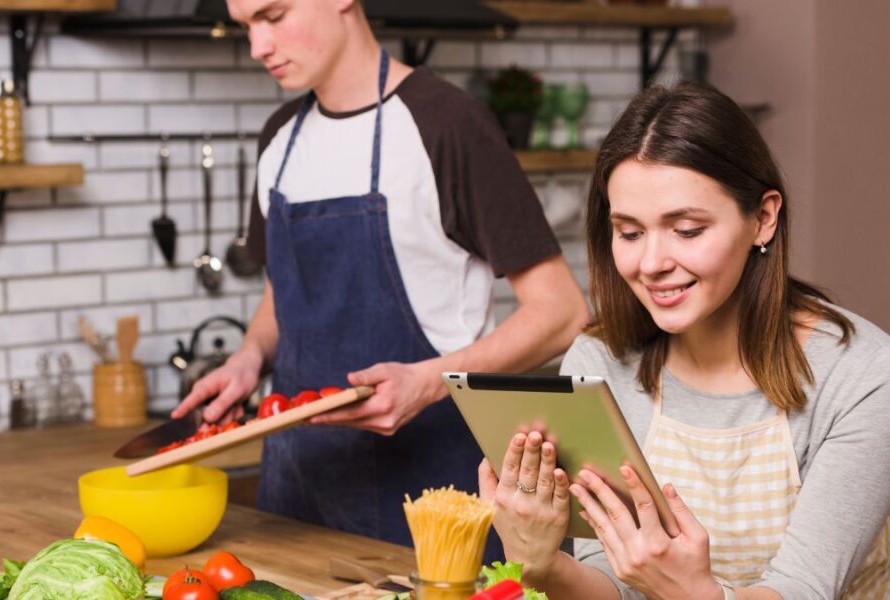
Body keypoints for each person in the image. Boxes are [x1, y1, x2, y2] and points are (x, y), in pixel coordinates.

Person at [174, 0, 589, 550]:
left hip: (434, 497)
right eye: (246, 25)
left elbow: (561, 313)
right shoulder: (279, 139)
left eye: (273, 17)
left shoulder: (446, 124)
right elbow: (285, 293)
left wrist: (427, 382)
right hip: (297, 497)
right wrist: (250, 357)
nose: (257, 47)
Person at [479, 82, 890, 599]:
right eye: (629, 232)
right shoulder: (599, 360)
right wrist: (540, 564)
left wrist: (694, 593)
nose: (651, 264)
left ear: (763, 218)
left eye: (687, 230)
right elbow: (612, 585)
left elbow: (804, 589)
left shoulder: (862, 376)